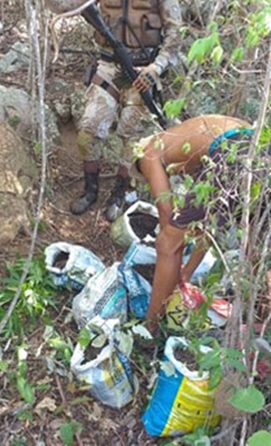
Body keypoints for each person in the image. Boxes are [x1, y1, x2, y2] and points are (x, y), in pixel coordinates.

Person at [131, 114, 253, 336]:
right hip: (258, 155)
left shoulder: (149, 152)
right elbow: (206, 230)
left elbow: (167, 217)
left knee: (166, 244)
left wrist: (169, 260)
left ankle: (149, 329)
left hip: (233, 149)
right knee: (257, 255)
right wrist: (185, 273)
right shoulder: (197, 149)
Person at [69, 0, 182, 221]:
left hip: (143, 71)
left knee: (132, 140)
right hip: (108, 67)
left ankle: (119, 193)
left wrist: (156, 68)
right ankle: (90, 190)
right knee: (87, 132)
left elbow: (175, 31)